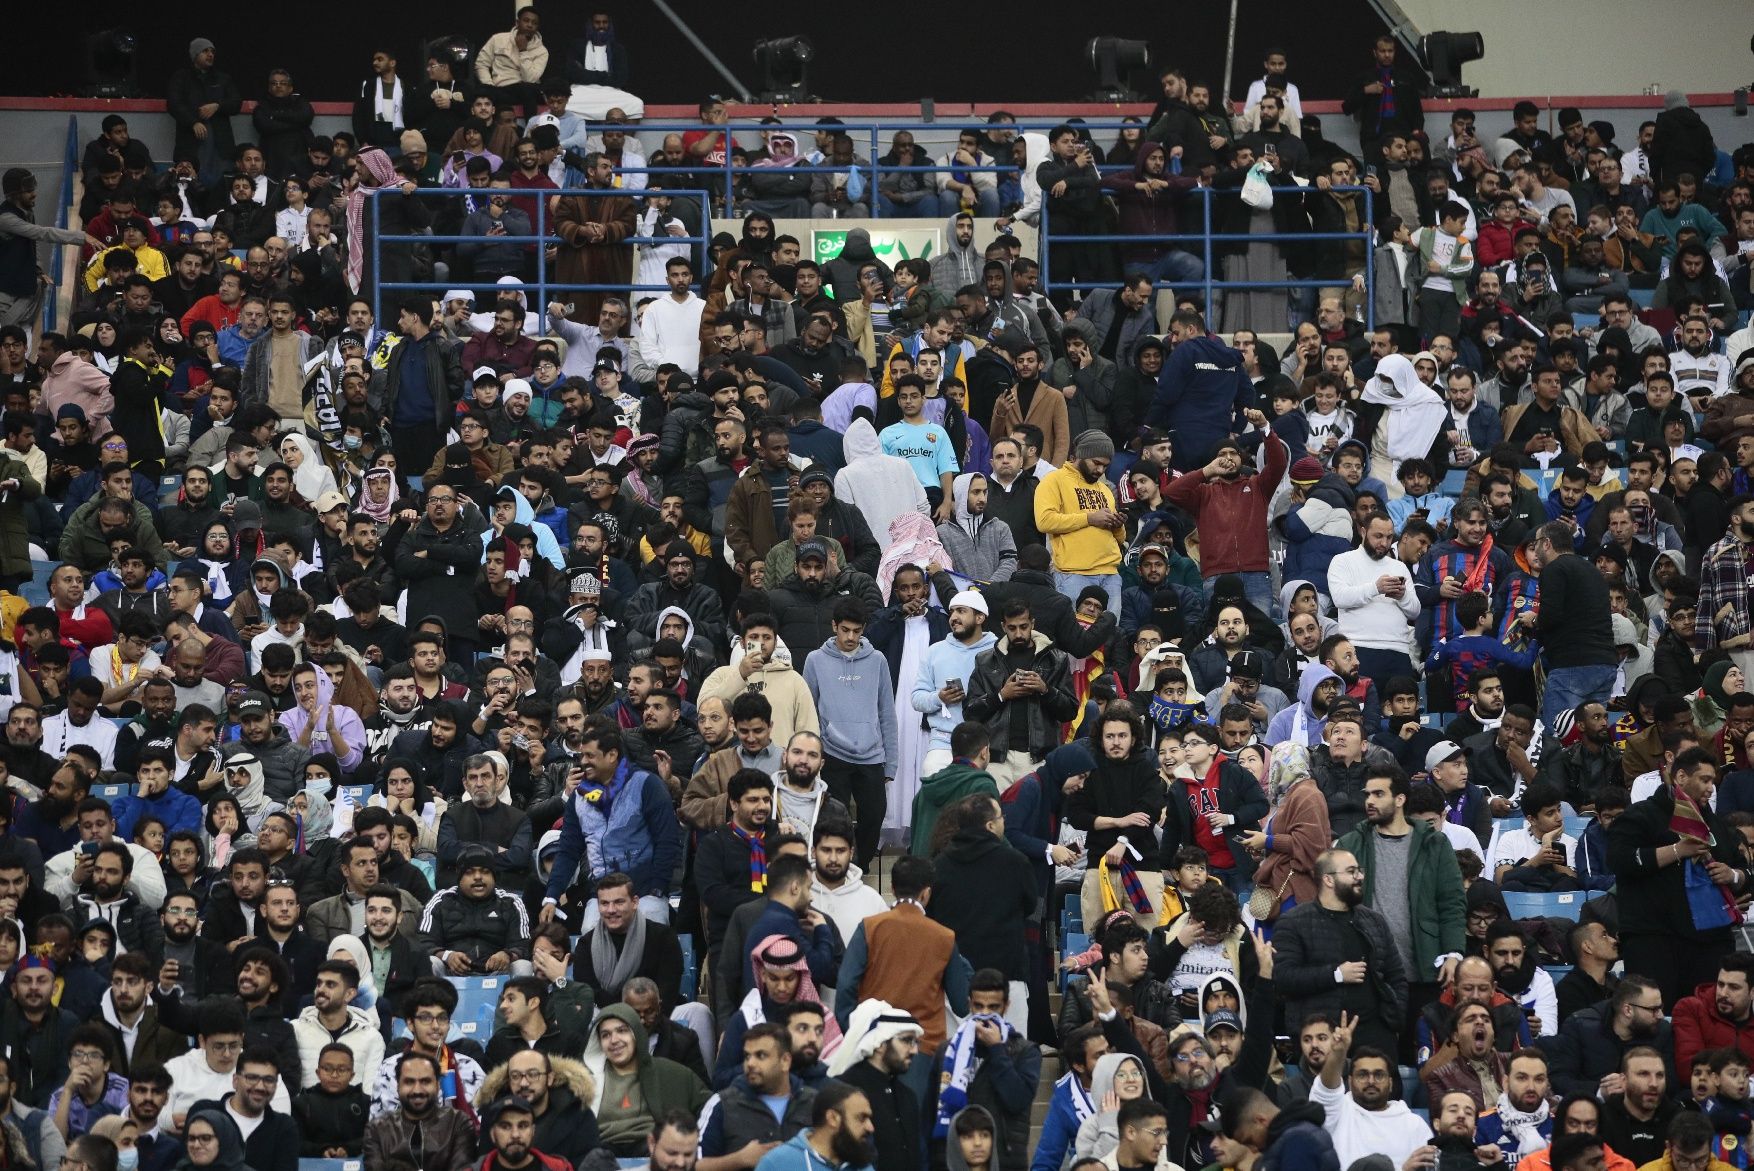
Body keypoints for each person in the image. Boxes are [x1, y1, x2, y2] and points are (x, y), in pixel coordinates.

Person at [1608, 747, 1749, 1008]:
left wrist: (1733, 875)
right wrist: (1676, 851)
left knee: (1705, 1016)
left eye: (1713, 782)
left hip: (1709, 941)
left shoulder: (1717, 826)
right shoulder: (1641, 816)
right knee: (1652, 1016)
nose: (1710, 788)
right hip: (1653, 938)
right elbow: (1619, 859)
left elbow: (1746, 872)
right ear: (1681, 777)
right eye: (1704, 780)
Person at [1272, 849, 1408, 1062]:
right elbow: (1284, 978)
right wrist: (1335, 974)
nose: (1360, 877)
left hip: (1376, 1035)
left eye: (1359, 871)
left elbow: (1396, 975)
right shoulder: (1293, 922)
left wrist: (1394, 1018)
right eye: (1352, 871)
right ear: (1328, 879)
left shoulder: (1374, 921)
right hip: (1322, 1038)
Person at [834, 855, 970, 1057]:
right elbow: (961, 1005)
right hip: (924, 1048)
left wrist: (854, 1032)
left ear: (893, 887)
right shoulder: (944, 937)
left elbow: (846, 985)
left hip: (875, 1045)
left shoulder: (869, 928)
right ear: (926, 893)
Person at [1308, 1010, 1432, 1169]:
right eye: (1363, 1075)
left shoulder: (1414, 1125)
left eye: (1379, 1075)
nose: (1371, 1081)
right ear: (1350, 1081)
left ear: (1391, 1083)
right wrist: (1338, 1052)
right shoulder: (1338, 1111)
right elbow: (1326, 1091)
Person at [362, 1052, 476, 1171]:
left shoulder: (458, 1123)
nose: (417, 1090)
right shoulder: (378, 1129)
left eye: (425, 1081)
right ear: (397, 1086)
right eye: (409, 1082)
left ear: (437, 1086)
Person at [750, 1081, 873, 1171]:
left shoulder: (863, 1166)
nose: (870, 1127)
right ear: (833, 1118)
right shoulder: (776, 1164)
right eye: (861, 1118)